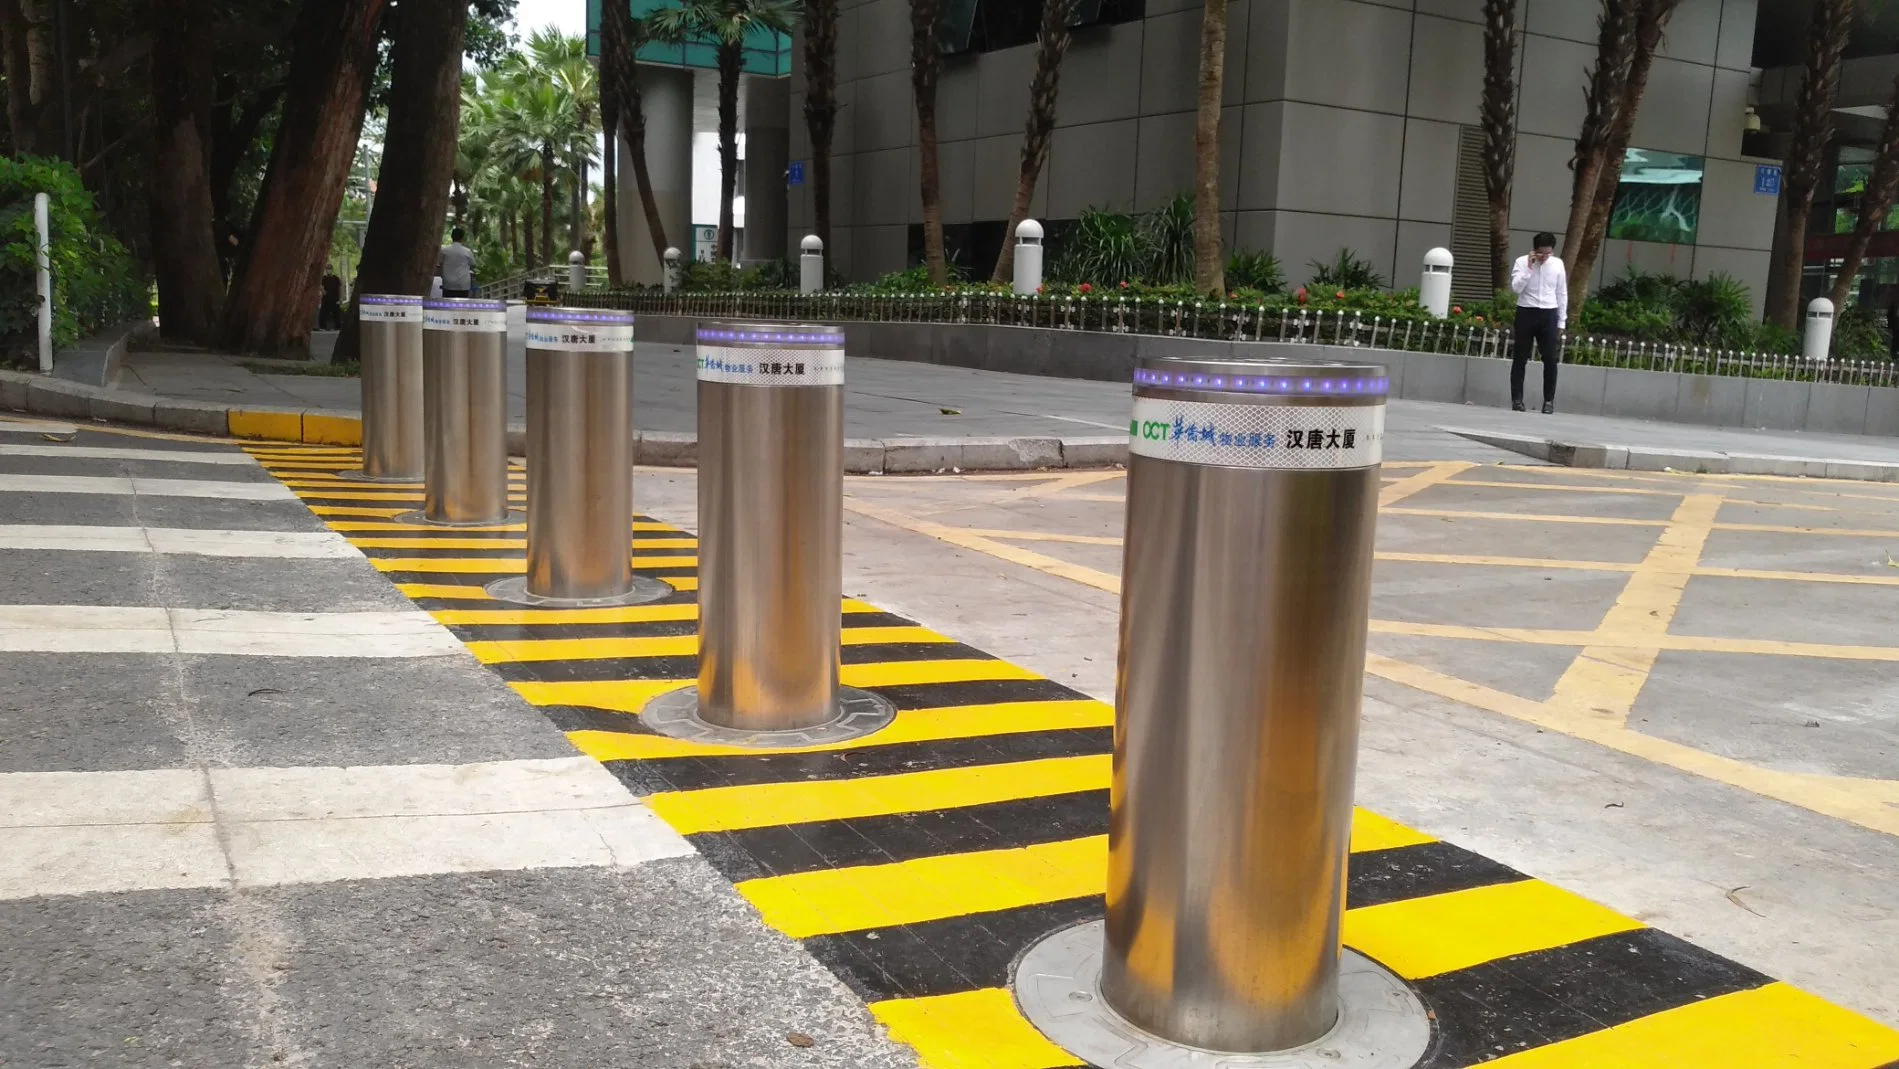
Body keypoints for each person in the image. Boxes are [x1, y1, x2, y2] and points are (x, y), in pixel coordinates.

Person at [1509, 232, 1567, 413]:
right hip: (1526, 310)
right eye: (1541, 253)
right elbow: (1516, 288)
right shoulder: (1521, 262)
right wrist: (1529, 268)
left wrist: (1561, 321)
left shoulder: (1557, 264)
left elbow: (1561, 292)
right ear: (1534, 250)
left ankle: (1548, 401)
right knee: (1520, 357)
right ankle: (1517, 400)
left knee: (1550, 358)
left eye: (1548, 254)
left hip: (1549, 312)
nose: (1544, 257)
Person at [437, 226, 476, 298]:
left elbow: (440, 263)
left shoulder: (444, 251)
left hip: (448, 283)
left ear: (452, 237)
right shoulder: (467, 251)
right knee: (461, 306)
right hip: (463, 284)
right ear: (462, 238)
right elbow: (473, 264)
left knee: (447, 304)